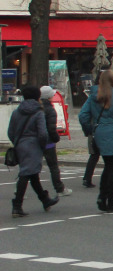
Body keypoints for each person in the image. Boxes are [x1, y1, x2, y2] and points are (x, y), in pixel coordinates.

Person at [78, 69, 113, 213]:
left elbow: (82, 116)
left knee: (108, 167)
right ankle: (110, 201)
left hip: (99, 133)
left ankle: (102, 197)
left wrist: (90, 129)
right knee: (112, 168)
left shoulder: (93, 96)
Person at [8, 86, 57, 217]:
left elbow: (10, 132)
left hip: (21, 145)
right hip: (34, 145)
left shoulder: (17, 111)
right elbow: (42, 133)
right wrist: (41, 146)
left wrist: (17, 142)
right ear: (37, 97)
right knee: (26, 173)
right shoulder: (38, 112)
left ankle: (45, 199)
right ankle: (17, 206)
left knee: (32, 173)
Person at [39, 86, 69, 196]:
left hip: (37, 141)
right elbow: (51, 128)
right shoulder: (50, 109)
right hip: (48, 142)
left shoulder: (37, 107)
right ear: (49, 97)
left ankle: (19, 189)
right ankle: (59, 188)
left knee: (32, 166)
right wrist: (56, 137)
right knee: (53, 166)